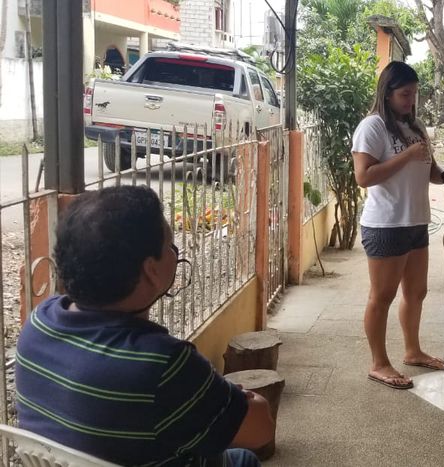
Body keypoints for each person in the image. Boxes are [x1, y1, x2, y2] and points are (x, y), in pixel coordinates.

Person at [15, 185, 274, 466]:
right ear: (151, 270)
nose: (175, 253)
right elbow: (260, 429)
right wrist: (232, 395)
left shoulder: (37, 325)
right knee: (243, 459)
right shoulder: (163, 366)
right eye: (170, 246)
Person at [352, 61, 444, 390]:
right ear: (388, 93)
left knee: (416, 292)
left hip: (417, 221)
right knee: (382, 296)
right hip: (386, 224)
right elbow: (364, 176)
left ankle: (413, 351)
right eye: (405, 94)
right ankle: (378, 363)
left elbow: (430, 170)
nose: (411, 100)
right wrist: (406, 155)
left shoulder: (415, 127)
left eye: (414, 94)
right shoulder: (373, 126)